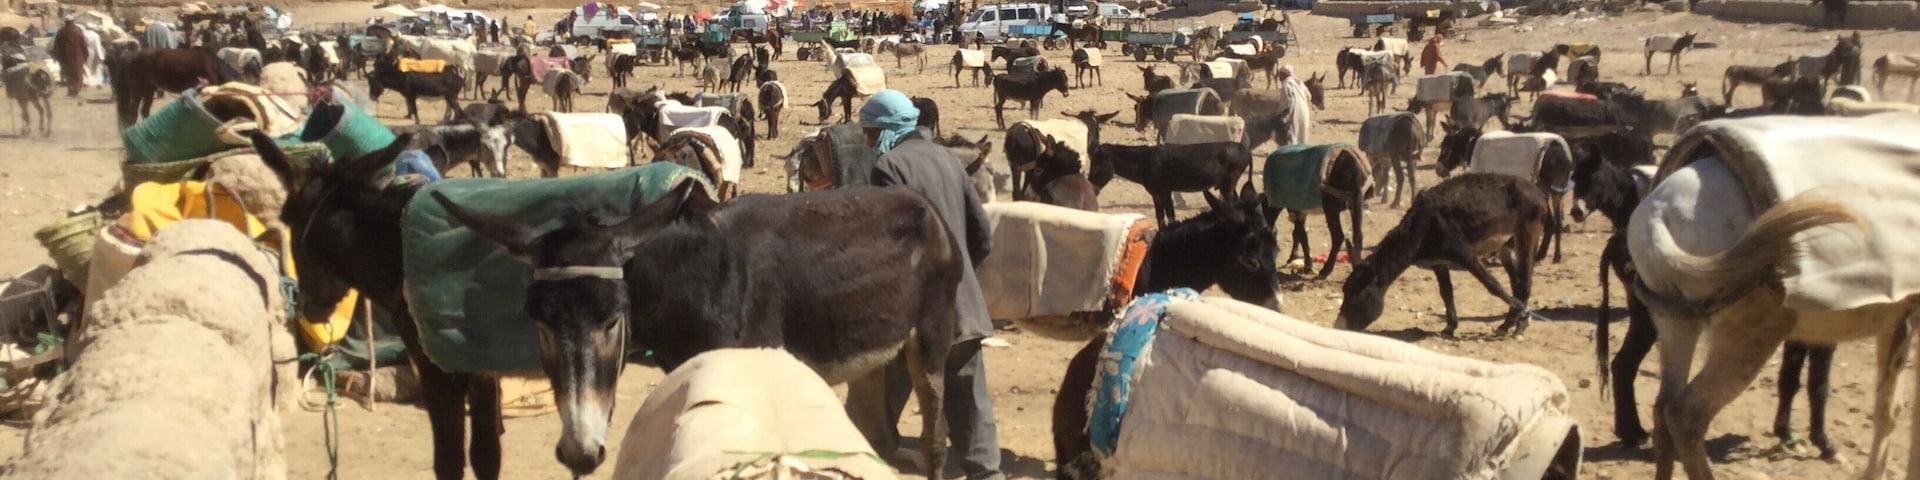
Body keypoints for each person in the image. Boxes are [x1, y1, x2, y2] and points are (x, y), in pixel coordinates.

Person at [862, 90, 1005, 480]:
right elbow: (983, 237)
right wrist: (957, 281)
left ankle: (861, 465)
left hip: (914, 316)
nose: (867, 142)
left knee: (877, 403)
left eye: (870, 133)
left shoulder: (888, 168)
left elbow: (889, 250)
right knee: (972, 408)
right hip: (963, 309)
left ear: (887, 130)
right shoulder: (949, 159)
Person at [1277, 65, 1312, 145]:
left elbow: (1286, 101)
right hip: (1304, 111)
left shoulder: (1286, 84)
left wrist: (1280, 113)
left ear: (1285, 74)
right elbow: (1309, 96)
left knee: (1292, 134)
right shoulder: (1300, 83)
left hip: (1293, 112)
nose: (1279, 75)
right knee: (1303, 134)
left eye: (1280, 73)